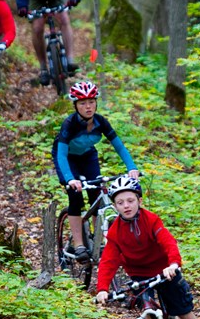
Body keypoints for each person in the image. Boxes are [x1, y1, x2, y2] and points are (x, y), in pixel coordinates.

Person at [95, 177, 200, 319]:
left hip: (165, 270)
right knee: (148, 312)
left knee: (183, 308)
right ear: (115, 207)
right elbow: (108, 261)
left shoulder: (150, 220)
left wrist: (173, 264)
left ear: (139, 201)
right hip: (139, 275)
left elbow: (168, 242)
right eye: (120, 203)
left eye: (130, 201)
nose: (126, 206)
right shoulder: (115, 231)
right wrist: (102, 288)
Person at [53, 80, 139, 262]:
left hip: (88, 156)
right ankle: (79, 244)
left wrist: (132, 168)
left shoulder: (101, 122)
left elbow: (120, 147)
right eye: (83, 103)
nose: (88, 106)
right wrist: (70, 179)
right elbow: (61, 155)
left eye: (91, 102)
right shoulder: (69, 124)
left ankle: (99, 242)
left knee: (97, 196)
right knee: (75, 197)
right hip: (67, 158)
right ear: (75, 105)